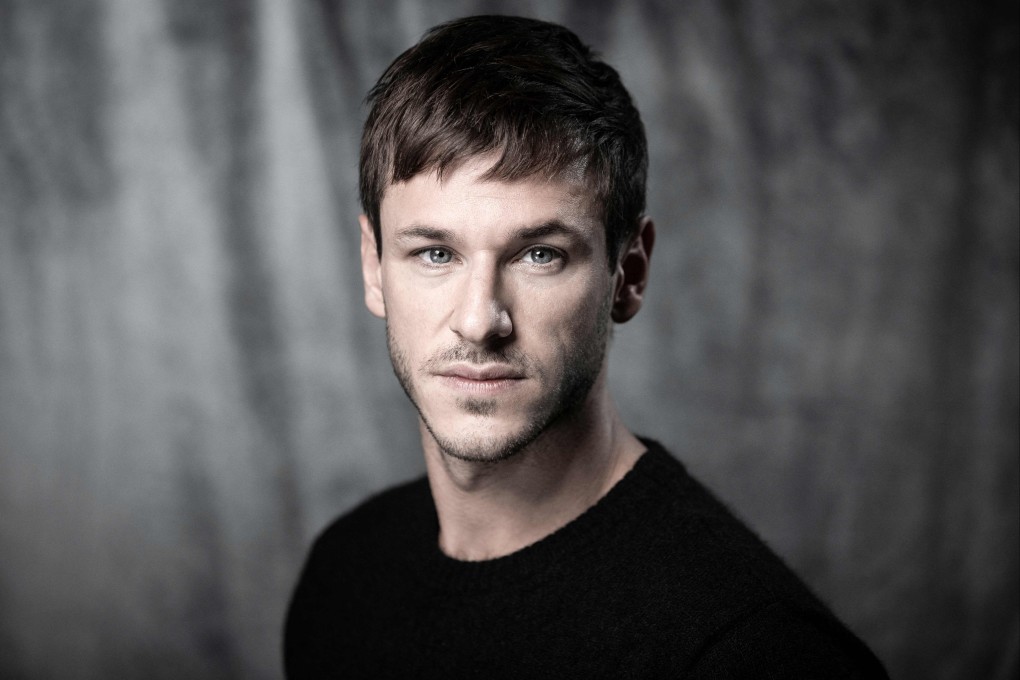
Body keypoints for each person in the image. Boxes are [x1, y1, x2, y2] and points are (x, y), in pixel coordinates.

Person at [285, 15, 889, 679]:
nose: (480, 320)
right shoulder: (344, 573)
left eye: (541, 254)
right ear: (374, 267)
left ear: (627, 273)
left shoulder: (754, 650)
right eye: (434, 253)